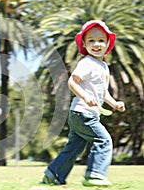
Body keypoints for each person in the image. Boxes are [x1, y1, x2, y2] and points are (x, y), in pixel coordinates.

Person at [42, 20, 125, 187]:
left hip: (83, 114)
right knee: (104, 141)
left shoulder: (102, 66)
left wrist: (114, 103)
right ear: (84, 45)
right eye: (91, 41)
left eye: (101, 40)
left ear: (108, 43)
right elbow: (73, 82)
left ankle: (53, 174)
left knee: (74, 148)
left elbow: (103, 92)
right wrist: (85, 96)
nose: (96, 44)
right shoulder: (87, 63)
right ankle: (95, 174)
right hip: (83, 113)